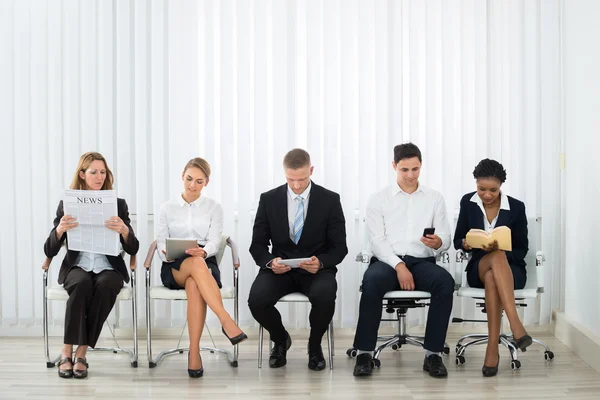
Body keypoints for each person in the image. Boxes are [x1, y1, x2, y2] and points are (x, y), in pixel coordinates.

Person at [352, 143, 454, 378]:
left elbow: (446, 238)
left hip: (422, 262)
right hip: (387, 261)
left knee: (444, 283)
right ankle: (365, 353)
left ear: (421, 166)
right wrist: (399, 266)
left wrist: (438, 242)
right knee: (372, 283)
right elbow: (377, 240)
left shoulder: (434, 198)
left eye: (415, 169)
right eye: (404, 169)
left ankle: (433, 354)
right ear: (394, 166)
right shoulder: (378, 199)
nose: (410, 175)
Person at [248, 148, 348, 371]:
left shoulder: (330, 200)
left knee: (325, 295)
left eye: (302, 179)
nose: (296, 185)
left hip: (316, 269)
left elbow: (340, 247)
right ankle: (281, 339)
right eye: (290, 179)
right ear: (284, 173)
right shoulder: (269, 199)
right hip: (279, 268)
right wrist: (270, 262)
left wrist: (321, 263)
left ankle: (314, 346)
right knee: (257, 300)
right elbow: (257, 245)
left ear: (311, 171)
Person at [44, 152, 140, 379]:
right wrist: (60, 230)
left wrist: (124, 231)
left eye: (103, 172)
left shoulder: (118, 204)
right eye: (93, 172)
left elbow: (133, 248)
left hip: (109, 266)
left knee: (107, 285)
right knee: (82, 284)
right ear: (82, 174)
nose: (99, 177)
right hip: (78, 265)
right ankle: (67, 350)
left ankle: (81, 352)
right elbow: (49, 250)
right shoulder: (67, 204)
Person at [157, 157, 247, 378]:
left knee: (195, 281)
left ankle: (194, 352)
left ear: (206, 182)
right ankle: (226, 320)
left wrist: (204, 251)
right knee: (193, 266)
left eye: (199, 181)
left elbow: (216, 240)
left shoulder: (214, 207)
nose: (192, 185)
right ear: (182, 176)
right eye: (189, 179)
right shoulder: (167, 208)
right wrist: (165, 252)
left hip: (204, 262)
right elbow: (160, 241)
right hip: (174, 265)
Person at [453, 158, 531, 377]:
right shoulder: (467, 202)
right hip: (478, 266)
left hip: (512, 270)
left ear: (501, 186)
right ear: (475, 184)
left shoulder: (516, 207)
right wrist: (465, 244)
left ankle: (492, 348)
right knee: (490, 264)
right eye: (481, 189)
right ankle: (516, 325)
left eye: (493, 190)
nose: (487, 195)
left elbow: (522, 248)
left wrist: (502, 251)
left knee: (493, 272)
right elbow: (458, 238)